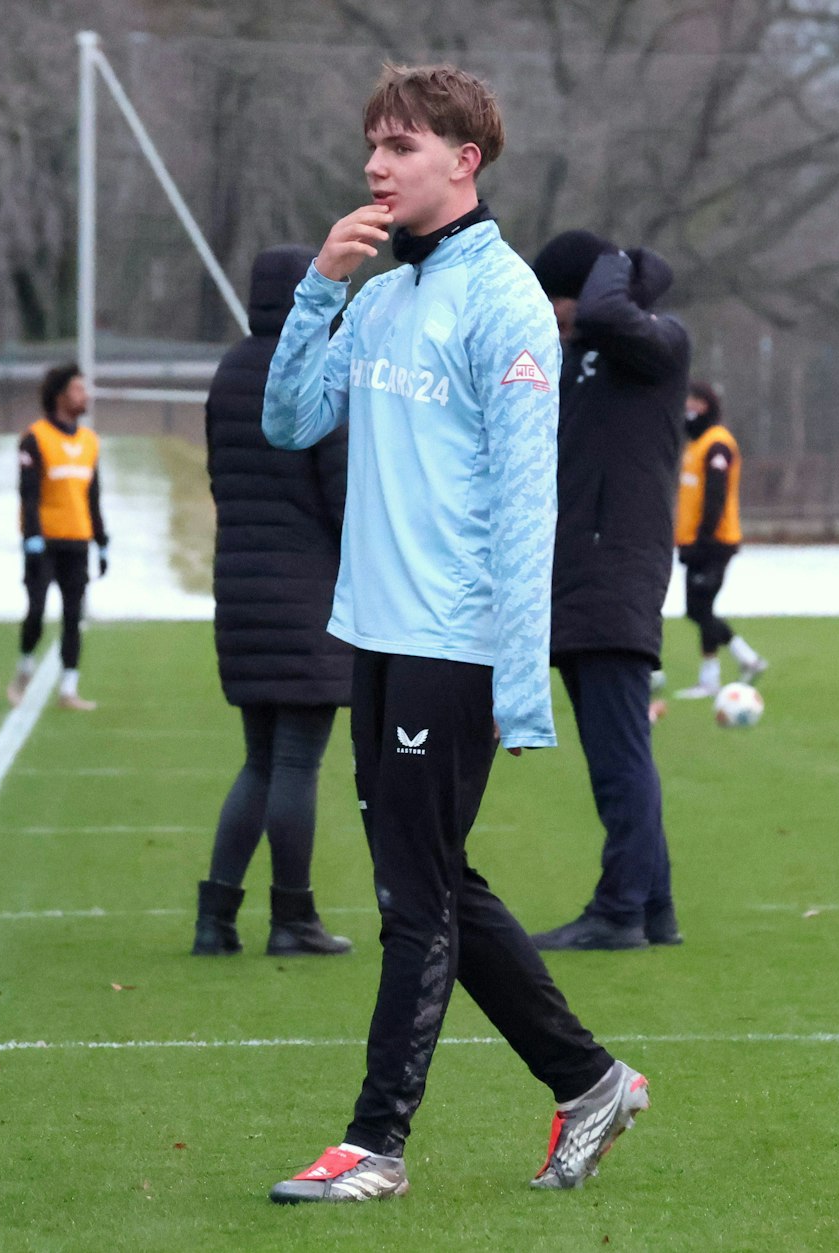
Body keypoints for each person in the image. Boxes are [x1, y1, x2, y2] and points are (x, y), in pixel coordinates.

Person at [261, 63, 646, 1205]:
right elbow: (290, 419)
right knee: (428, 875)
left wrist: (515, 682)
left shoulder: (507, 302)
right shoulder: (377, 295)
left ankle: (374, 1141)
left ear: (462, 160)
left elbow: (526, 508)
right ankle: (589, 1082)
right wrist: (318, 290)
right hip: (373, 634)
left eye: (399, 146)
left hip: (456, 644)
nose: (375, 166)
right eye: (372, 145)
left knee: (411, 898)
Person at [525, 229, 686, 953]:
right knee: (620, 753)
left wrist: (613, 266)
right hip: (579, 578)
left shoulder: (657, 343)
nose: (556, 317)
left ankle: (619, 907)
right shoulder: (584, 358)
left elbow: (610, 315)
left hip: (616, 572)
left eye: (559, 301)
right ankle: (653, 906)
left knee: (619, 757)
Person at [194, 244, 354, 959]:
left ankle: (216, 917)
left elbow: (220, 478)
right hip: (306, 590)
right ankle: (293, 917)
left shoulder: (228, 372)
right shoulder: (311, 367)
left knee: (259, 759)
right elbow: (342, 491)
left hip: (239, 585)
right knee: (297, 762)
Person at [9, 365, 107, 710]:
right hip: (44, 542)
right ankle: (24, 669)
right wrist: (32, 536)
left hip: (77, 541)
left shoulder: (90, 442)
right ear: (60, 396)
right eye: (79, 389)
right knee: (35, 611)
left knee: (72, 616)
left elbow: (93, 496)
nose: (86, 396)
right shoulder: (34, 438)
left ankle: (69, 689)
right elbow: (29, 493)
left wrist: (102, 540)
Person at [672, 382, 767, 699]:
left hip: (713, 542)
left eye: (697, 401)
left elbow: (715, 496)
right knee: (701, 608)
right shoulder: (695, 444)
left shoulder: (717, 445)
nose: (690, 407)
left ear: (708, 406)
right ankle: (722, 672)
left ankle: (742, 662)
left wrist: (701, 540)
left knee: (699, 608)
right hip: (694, 542)